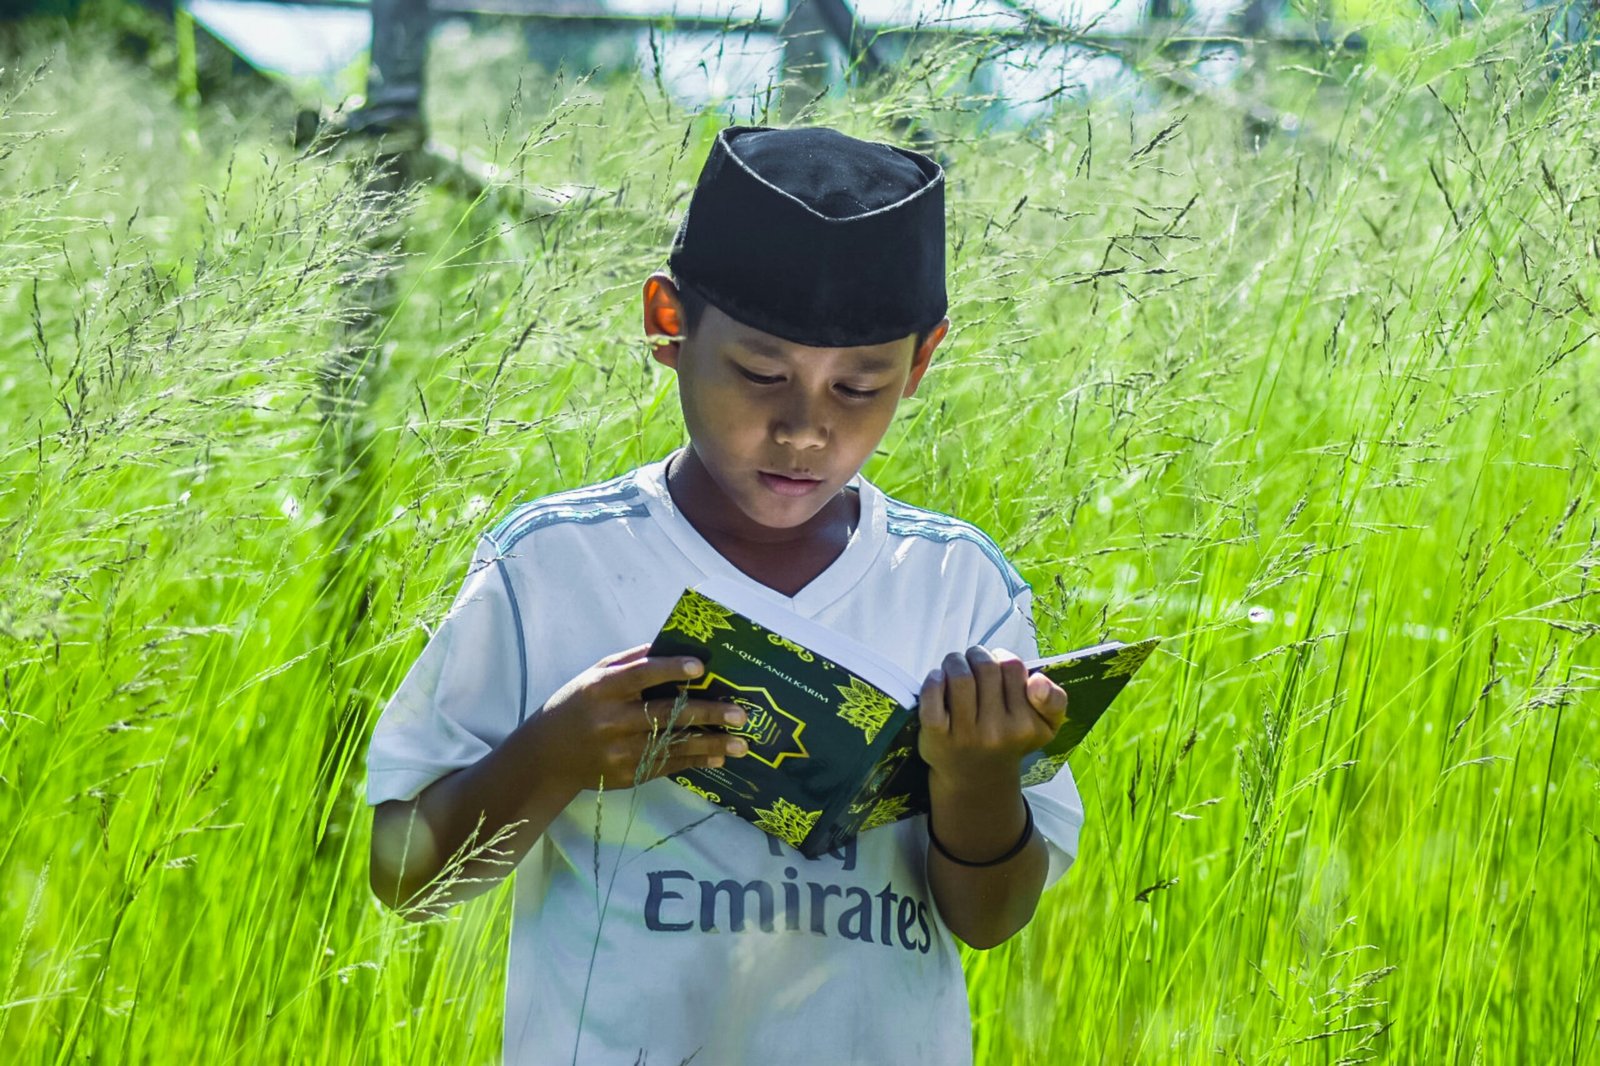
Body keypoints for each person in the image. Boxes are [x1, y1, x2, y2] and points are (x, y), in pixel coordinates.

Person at [365, 125, 1085, 1066]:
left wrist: (977, 777)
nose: (804, 429)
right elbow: (402, 875)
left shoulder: (955, 587)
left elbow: (991, 919)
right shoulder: (555, 566)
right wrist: (552, 754)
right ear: (670, 322)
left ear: (920, 364)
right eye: (760, 374)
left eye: (860, 386)